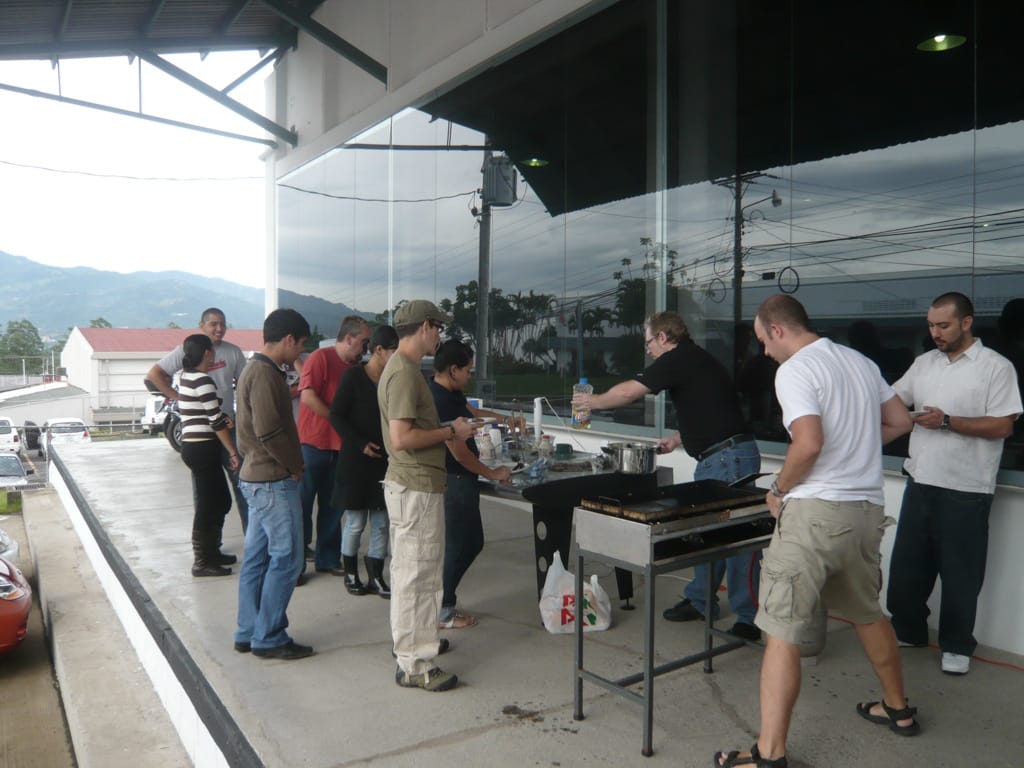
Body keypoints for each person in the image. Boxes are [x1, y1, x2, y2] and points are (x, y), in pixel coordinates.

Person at [714, 295, 917, 768]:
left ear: (777, 329)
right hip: (865, 511)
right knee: (868, 614)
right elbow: (901, 421)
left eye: (763, 341)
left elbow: (808, 445)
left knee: (781, 630)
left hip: (814, 514)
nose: (765, 352)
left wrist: (778, 489)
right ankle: (898, 709)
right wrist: (856, 446)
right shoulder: (859, 362)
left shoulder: (795, 370)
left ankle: (769, 754)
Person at [572, 310, 762, 640]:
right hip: (720, 456)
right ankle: (701, 600)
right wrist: (677, 439)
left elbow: (629, 392)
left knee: (738, 538)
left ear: (663, 337)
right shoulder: (694, 360)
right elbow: (709, 408)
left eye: (648, 343)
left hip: (728, 458)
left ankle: (748, 618)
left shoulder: (679, 357)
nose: (648, 350)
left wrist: (592, 402)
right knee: (706, 531)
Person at [886, 292, 1021, 676]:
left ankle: (957, 645)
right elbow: (892, 400)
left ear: (966, 322)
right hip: (921, 478)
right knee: (908, 567)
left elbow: (1003, 425)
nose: (936, 333)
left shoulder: (996, 367)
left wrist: (947, 422)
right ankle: (909, 631)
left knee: (961, 573)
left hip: (967, 488)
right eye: (931, 325)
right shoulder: (924, 363)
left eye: (943, 325)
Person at [378, 300, 476, 692]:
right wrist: (452, 431)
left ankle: (413, 645)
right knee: (419, 578)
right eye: (438, 327)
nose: (440, 336)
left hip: (413, 484)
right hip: (416, 485)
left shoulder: (401, 369)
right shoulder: (403, 372)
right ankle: (416, 663)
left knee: (411, 574)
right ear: (425, 327)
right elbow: (402, 438)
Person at [233, 308, 314, 661]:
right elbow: (268, 431)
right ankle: (268, 637)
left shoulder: (255, 369)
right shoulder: (265, 374)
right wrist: (294, 465)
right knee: (288, 559)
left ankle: (248, 630)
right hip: (271, 481)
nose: (300, 352)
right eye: (301, 345)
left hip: (256, 478)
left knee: (256, 559)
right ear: (288, 339)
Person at [429, 339, 512, 629]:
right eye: (467, 371)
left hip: (463, 479)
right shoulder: (438, 400)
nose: (470, 376)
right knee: (458, 545)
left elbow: (473, 415)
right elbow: (460, 453)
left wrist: (506, 419)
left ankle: (442, 601)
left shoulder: (450, 391)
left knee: (472, 542)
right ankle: (442, 608)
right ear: (453, 369)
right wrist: (492, 473)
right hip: (454, 479)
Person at [146, 307, 249, 534]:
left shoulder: (233, 352)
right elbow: (154, 375)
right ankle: (208, 545)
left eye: (223, 324)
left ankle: (252, 542)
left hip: (228, 428)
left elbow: (245, 387)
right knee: (205, 494)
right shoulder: (187, 349)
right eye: (213, 324)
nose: (219, 328)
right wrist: (179, 398)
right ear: (201, 326)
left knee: (241, 484)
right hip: (200, 435)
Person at [297, 316, 372, 577]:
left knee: (334, 505)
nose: (366, 348)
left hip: (341, 448)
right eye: (364, 342)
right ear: (349, 338)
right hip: (312, 444)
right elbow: (307, 396)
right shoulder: (321, 358)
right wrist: (338, 420)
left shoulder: (357, 368)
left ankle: (328, 558)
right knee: (302, 505)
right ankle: (296, 563)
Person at [329, 324, 399, 597]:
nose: (396, 356)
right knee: (355, 522)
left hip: (384, 461)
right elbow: (336, 415)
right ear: (378, 350)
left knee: (381, 523)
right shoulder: (353, 377)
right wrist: (360, 443)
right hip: (356, 462)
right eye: (393, 351)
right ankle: (350, 574)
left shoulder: (393, 379)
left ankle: (376, 577)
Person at [177, 333, 241, 577]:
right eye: (212, 350)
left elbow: (205, 411)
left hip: (196, 447)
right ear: (207, 353)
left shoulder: (186, 376)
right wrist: (232, 451)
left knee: (220, 501)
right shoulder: (202, 379)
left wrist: (222, 418)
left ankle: (212, 551)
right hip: (202, 447)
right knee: (208, 505)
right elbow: (215, 421)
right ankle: (202, 561)